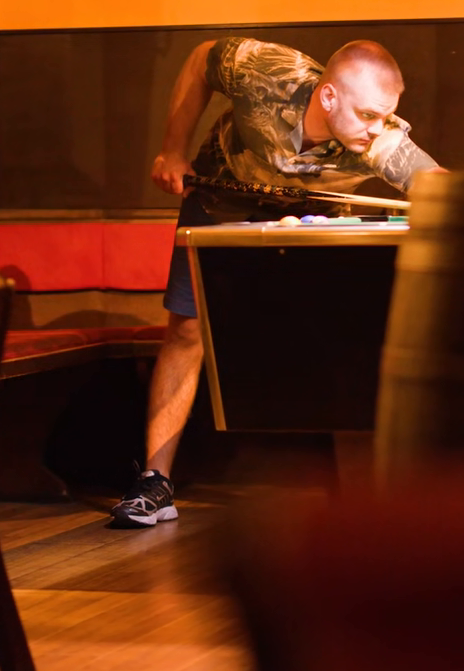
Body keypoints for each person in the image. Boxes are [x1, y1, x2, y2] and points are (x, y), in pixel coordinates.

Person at [109, 36, 444, 527]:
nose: (377, 128)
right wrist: (172, 151)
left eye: (385, 116)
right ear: (329, 96)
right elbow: (201, 60)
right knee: (187, 329)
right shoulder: (264, 72)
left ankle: (363, 497)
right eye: (368, 115)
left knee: (343, 338)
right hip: (221, 195)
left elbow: (437, 184)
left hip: (307, 217)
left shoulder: (382, 140)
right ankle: (154, 483)